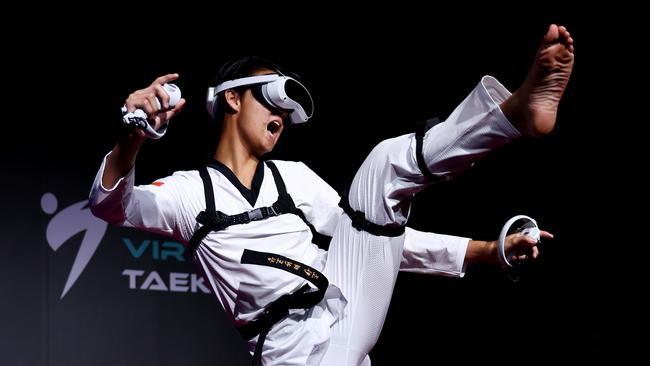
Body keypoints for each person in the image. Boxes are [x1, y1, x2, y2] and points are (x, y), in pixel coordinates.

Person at [89, 24, 574, 366]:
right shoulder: (190, 193)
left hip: (344, 310)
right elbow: (111, 205)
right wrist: (133, 134)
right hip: (294, 351)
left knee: (384, 164)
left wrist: (487, 251)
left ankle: (512, 114)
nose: (281, 118)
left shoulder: (295, 178)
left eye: (287, 111)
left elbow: (380, 236)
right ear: (232, 98)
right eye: (270, 100)